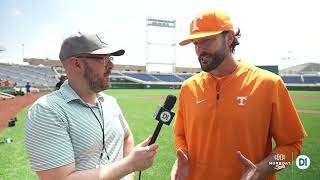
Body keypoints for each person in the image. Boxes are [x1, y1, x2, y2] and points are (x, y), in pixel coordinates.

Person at [170, 10, 307, 180]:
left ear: (228, 38)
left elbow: (293, 146)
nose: (200, 50)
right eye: (195, 43)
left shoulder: (268, 84)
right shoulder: (188, 87)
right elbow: (180, 135)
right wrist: (182, 158)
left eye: (206, 40)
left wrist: (261, 170)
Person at [24, 33, 158, 180]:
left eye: (110, 58)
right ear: (76, 64)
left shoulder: (110, 102)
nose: (111, 65)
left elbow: (126, 137)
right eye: (103, 59)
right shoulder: (47, 110)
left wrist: (129, 175)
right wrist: (129, 165)